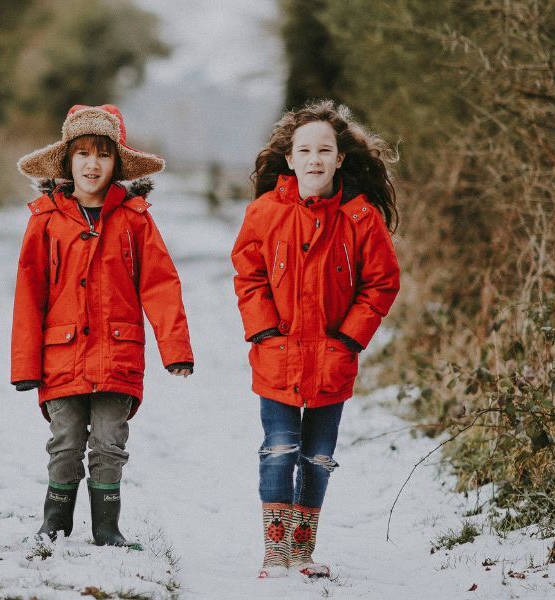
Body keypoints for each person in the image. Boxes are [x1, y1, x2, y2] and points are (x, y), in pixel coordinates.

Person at [12, 104, 194, 549]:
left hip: (118, 354)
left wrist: (177, 351)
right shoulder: (45, 220)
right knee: (66, 442)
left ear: (117, 164)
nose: (92, 164)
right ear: (67, 162)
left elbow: (161, 285)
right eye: (83, 154)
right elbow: (28, 294)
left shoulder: (135, 220)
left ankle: (107, 528)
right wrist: (24, 365)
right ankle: (54, 522)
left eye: (103, 155)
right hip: (61, 355)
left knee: (111, 443)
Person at [231, 100, 400, 578]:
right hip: (276, 356)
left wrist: (348, 339)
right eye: (304, 150)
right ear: (289, 158)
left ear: (340, 158)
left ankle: (303, 552)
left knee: (318, 458)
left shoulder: (360, 218)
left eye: (324, 149)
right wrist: (264, 330)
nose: (314, 159)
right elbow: (248, 274)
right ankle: (275, 552)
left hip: (332, 359)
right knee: (279, 449)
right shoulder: (264, 213)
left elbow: (382, 283)